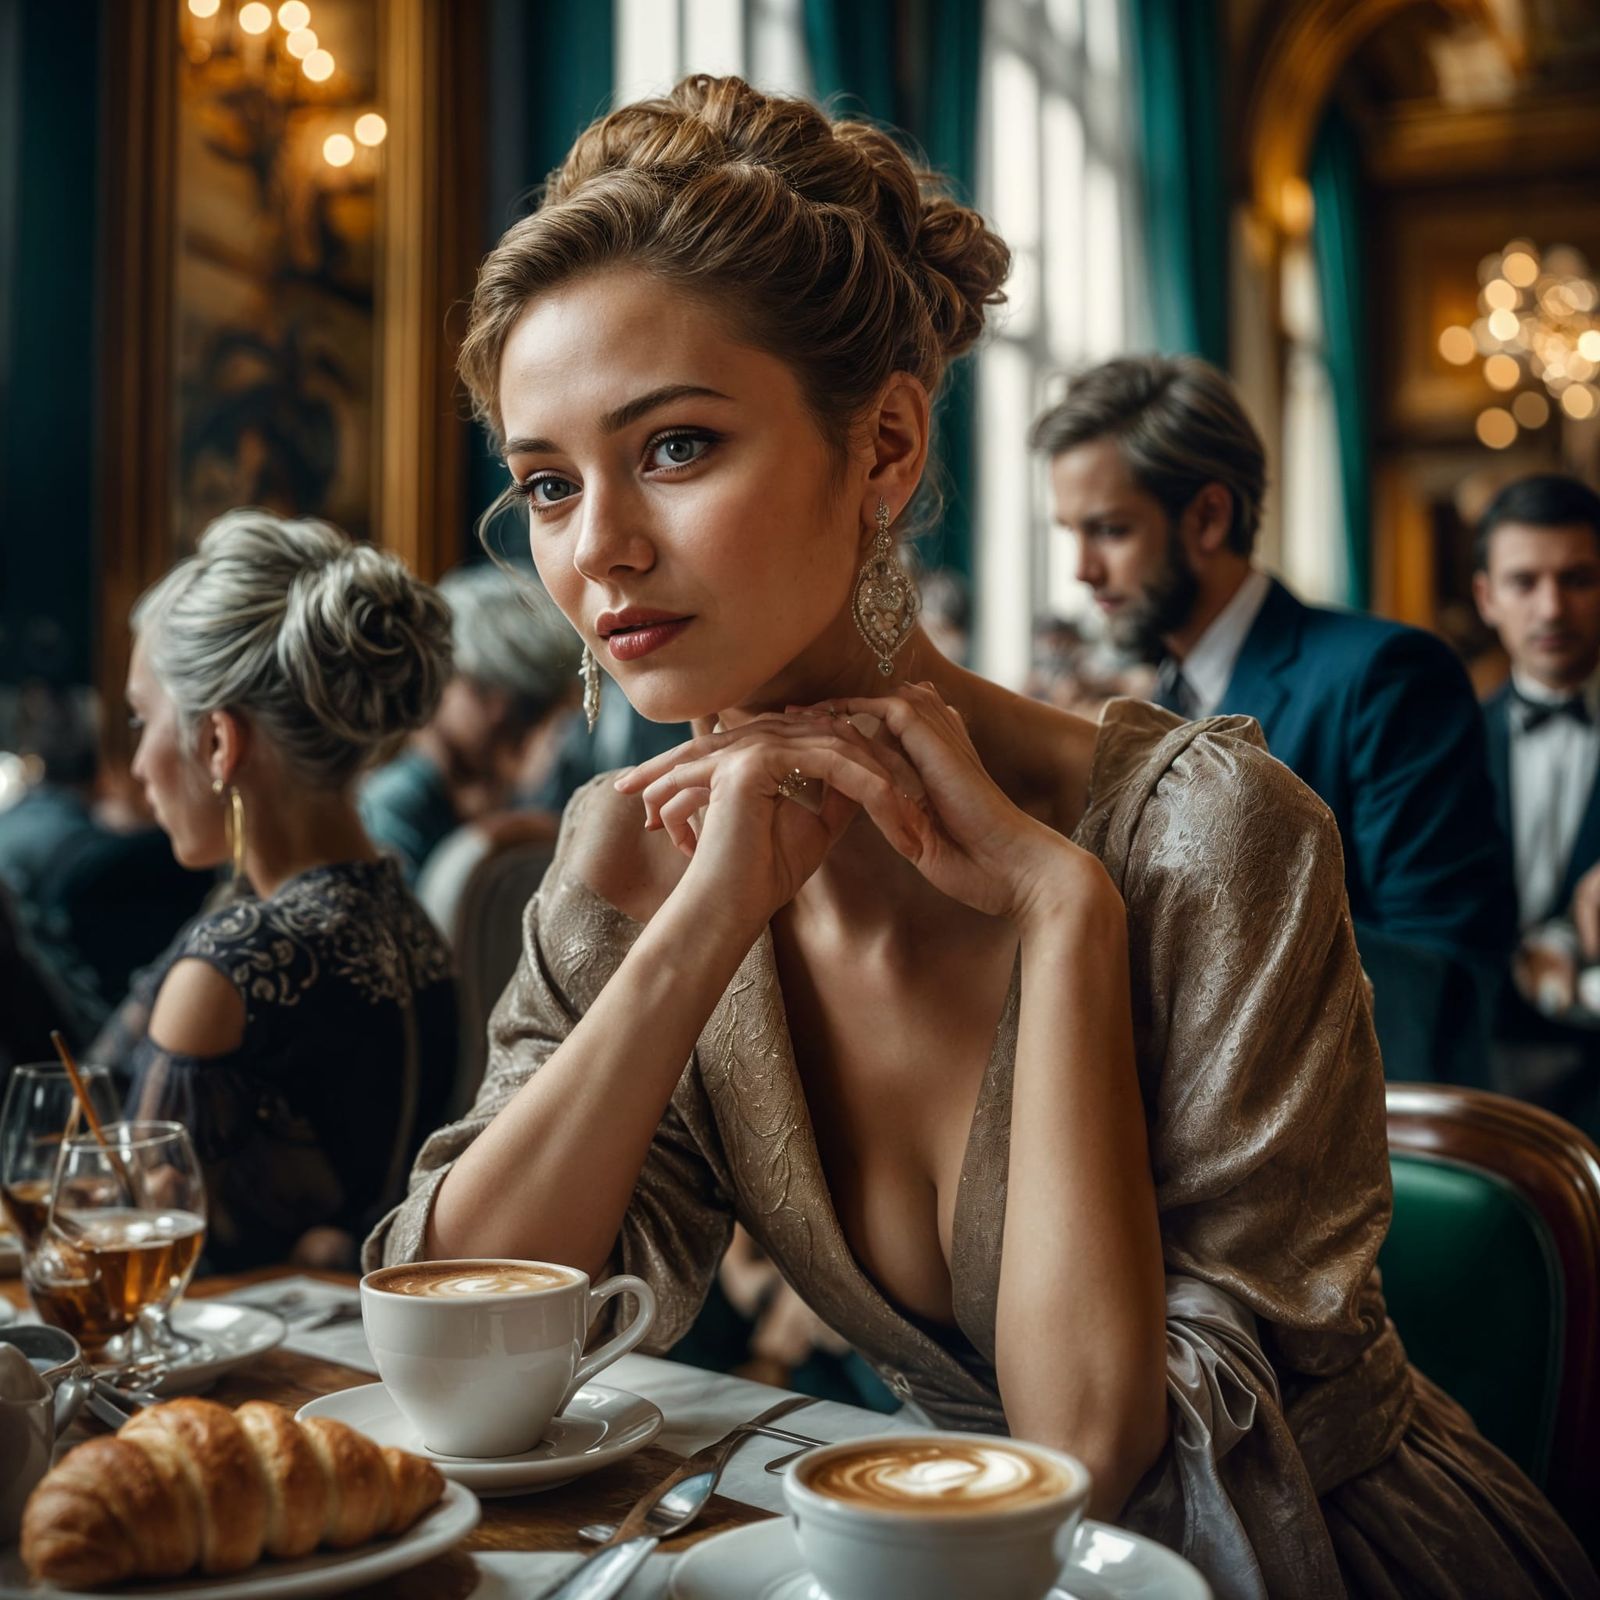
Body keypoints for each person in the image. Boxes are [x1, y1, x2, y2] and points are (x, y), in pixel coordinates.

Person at [367, 76, 1594, 1599]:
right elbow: (459, 1357)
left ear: (884, 449)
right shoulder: (638, 857)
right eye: (548, 483)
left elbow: (1104, 1467)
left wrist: (1064, 912)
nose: (597, 546)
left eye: (675, 448)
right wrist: (687, 937)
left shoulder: (1213, 835)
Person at [1035, 355, 1515, 1084]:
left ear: (1209, 517)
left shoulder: (1386, 675)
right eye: (1070, 531)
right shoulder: (1142, 714)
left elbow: (1443, 980)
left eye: (1109, 530)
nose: (1082, 570)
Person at [91, 510, 459, 1272]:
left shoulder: (230, 965)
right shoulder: (408, 921)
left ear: (219, 742)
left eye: (141, 719)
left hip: (238, 1377)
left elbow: (133, 1258)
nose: (136, 767)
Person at [1474, 473, 1600, 1137]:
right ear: (1486, 597)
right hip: (1490, 1078)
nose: (1551, 609)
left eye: (1577, 579)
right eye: (1525, 582)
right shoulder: (1447, 742)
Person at [359, 562, 579, 883]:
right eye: (487, 691)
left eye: (531, 707)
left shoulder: (543, 792)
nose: (502, 715)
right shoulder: (394, 806)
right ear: (442, 677)